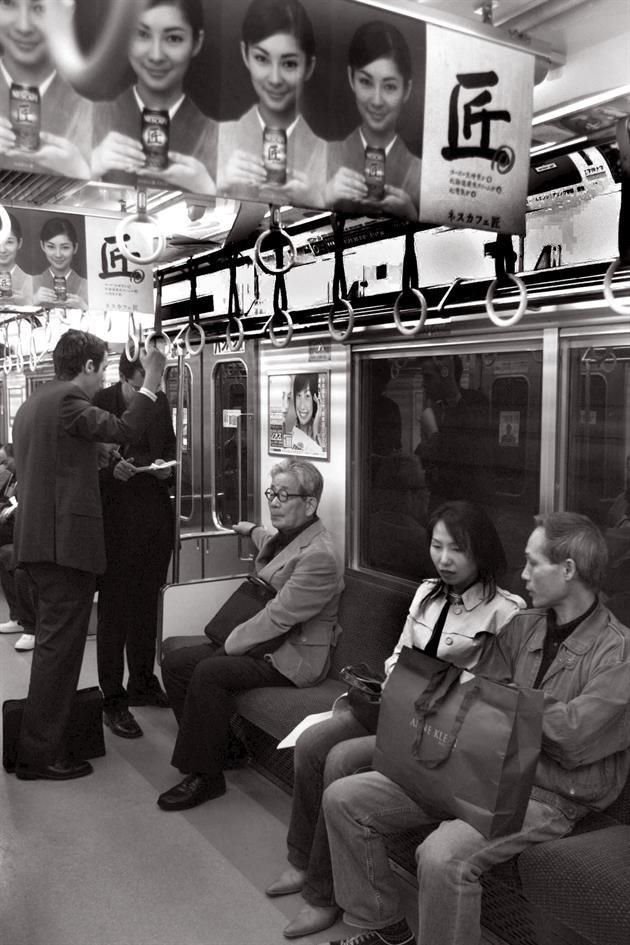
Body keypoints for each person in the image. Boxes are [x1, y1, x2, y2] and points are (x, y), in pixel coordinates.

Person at [321, 511, 630, 945]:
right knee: (345, 798)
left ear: (568, 570)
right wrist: (509, 707)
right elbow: (480, 695)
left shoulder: (618, 652)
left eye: (532, 563)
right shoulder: (523, 627)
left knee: (442, 855)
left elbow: (575, 739)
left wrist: (511, 705)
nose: (522, 575)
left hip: (552, 792)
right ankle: (382, 925)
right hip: (484, 765)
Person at [266, 500, 524, 939]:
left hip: (442, 732)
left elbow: (493, 694)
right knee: (313, 743)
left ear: (480, 551)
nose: (443, 559)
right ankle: (301, 864)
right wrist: (394, 680)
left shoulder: (506, 612)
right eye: (436, 546)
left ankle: (323, 894)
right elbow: (398, 654)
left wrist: (430, 690)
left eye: (456, 549)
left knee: (341, 760)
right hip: (397, 709)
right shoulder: (425, 593)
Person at [11, 329, 166, 782]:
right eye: (101, 370)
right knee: (59, 652)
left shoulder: (34, 403)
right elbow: (125, 428)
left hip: (42, 543)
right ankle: (40, 754)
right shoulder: (67, 401)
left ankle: (44, 742)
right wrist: (153, 377)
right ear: (90, 367)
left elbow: (56, 459)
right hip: (62, 549)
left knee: (54, 649)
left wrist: (94, 454)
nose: (102, 382)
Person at [157, 458, 344, 812]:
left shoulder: (320, 556)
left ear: (310, 504)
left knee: (210, 671)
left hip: (293, 657)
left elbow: (278, 617)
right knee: (177, 662)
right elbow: (268, 541)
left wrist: (228, 644)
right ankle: (226, 750)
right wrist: (249, 529)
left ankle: (206, 776)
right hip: (267, 645)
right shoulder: (290, 537)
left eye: (284, 495)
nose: (274, 501)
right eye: (272, 492)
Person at [93, 352, 176, 740]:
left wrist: (163, 467)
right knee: (114, 615)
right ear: (125, 379)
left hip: (154, 520)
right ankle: (113, 698)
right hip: (114, 525)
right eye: (144, 382)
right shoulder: (98, 405)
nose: (152, 390)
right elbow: (82, 468)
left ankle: (143, 681)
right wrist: (112, 471)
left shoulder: (159, 406)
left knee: (146, 608)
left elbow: (172, 450)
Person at [91, 0, 217, 195]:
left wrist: (208, 190)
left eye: (173, 38)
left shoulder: (217, 136)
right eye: (142, 34)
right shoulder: (91, 117)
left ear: (197, 42)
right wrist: (90, 168)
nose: (156, 55)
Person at [217, 0, 327, 209]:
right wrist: (217, 185)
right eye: (262, 58)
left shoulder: (330, 156)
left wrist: (317, 203)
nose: (275, 79)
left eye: (289, 64)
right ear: (245, 54)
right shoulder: (218, 138)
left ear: (309, 66)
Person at [325, 21, 421, 221]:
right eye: (366, 82)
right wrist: (324, 198)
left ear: (407, 90)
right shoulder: (324, 156)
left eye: (390, 87)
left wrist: (412, 216)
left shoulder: (420, 172)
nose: (376, 101)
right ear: (351, 78)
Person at [0, 0, 91, 178]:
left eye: (39, 8)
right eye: (9, 3)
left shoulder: (95, 102)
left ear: (69, 12)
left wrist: (79, 173)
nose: (23, 26)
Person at [415, 355, 492, 512]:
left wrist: (435, 437)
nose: (423, 384)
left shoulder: (476, 402)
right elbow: (425, 454)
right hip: (439, 498)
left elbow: (472, 451)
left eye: (428, 377)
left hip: (468, 500)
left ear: (446, 375)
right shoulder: (434, 409)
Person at [32, 217, 88, 310]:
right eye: (51, 247)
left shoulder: (86, 286)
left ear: (75, 248)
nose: (58, 254)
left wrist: (84, 307)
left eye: (65, 247)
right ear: (42, 246)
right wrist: (32, 302)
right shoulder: (30, 283)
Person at [0, 213, 33, 306]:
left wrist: (25, 305)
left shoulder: (33, 283)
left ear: (19, 243)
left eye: (9, 242)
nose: (2, 250)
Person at [290, 373, 324, 454]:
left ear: (315, 399)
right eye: (298, 395)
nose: (302, 406)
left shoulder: (324, 433)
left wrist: (315, 428)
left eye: (307, 396)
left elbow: (320, 457)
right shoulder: (291, 433)